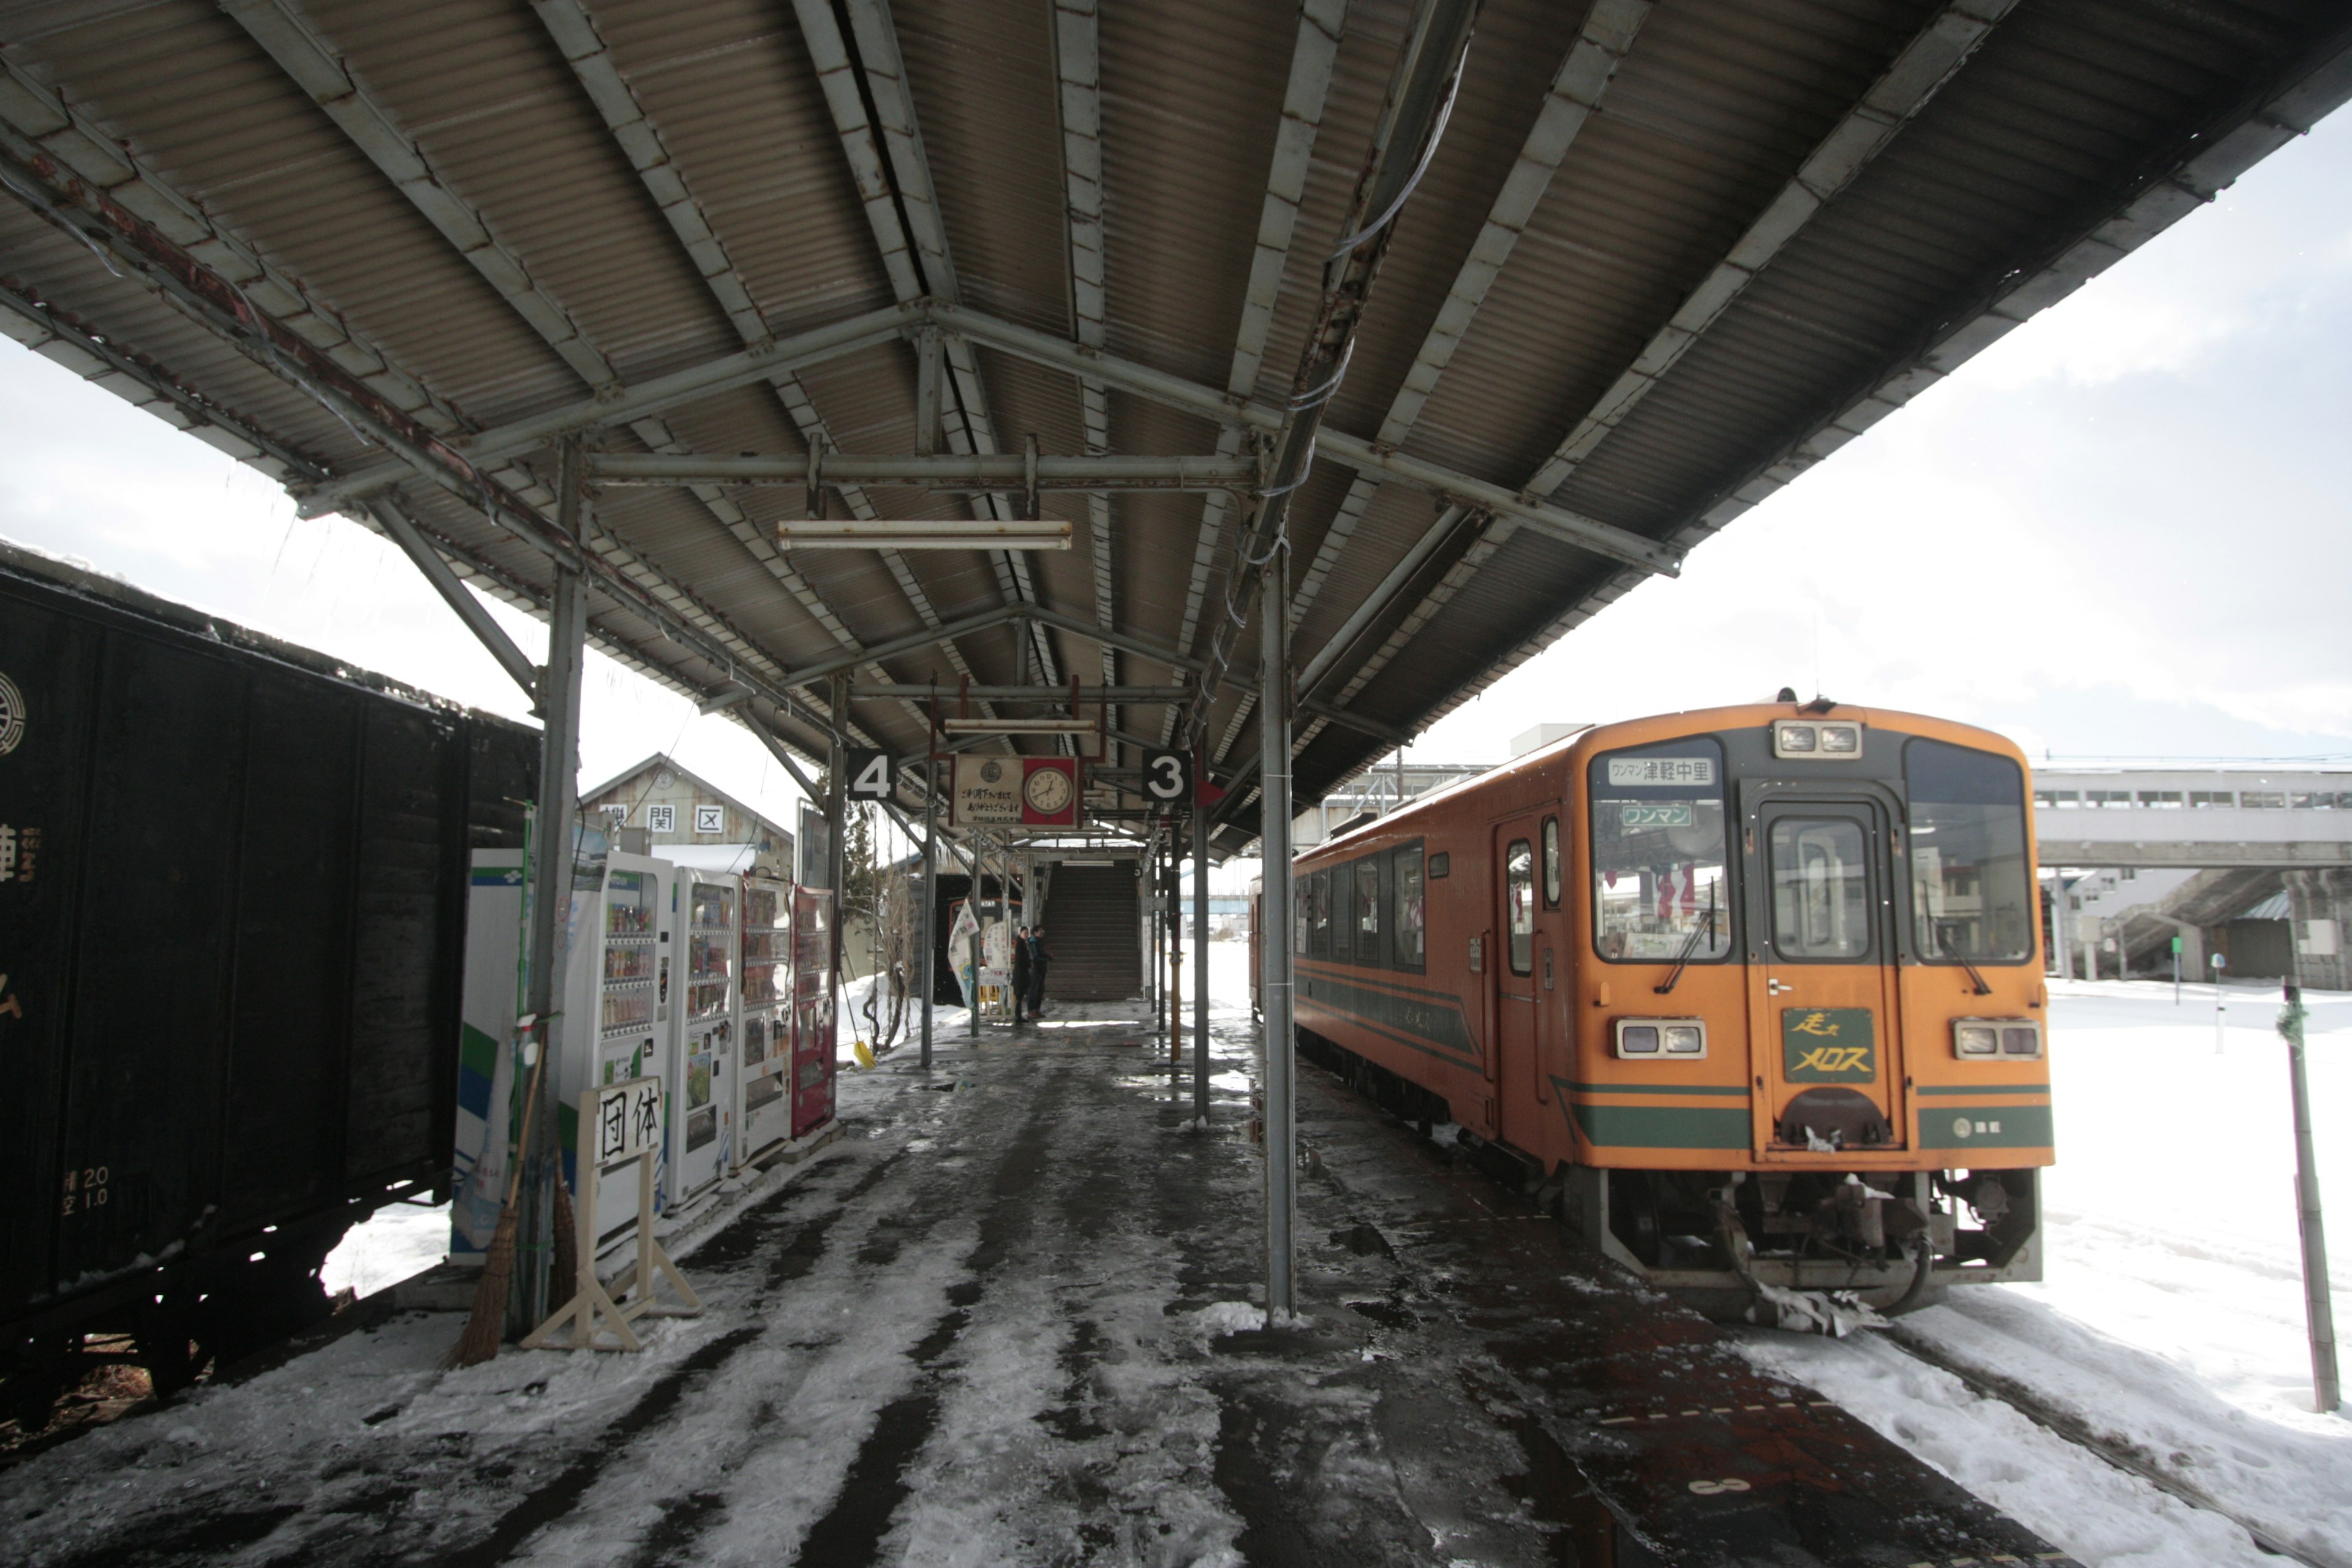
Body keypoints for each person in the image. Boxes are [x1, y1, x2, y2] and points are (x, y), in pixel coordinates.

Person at [1011, 924, 1034, 1025]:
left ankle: (1019, 1015)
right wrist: (1029, 963)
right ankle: (1018, 1016)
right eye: (1025, 933)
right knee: (1019, 996)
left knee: (1020, 996)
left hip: (1021, 973)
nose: (1026, 935)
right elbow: (1021, 959)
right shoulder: (1020, 945)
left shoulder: (1023, 943)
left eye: (1027, 934)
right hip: (1020, 974)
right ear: (1020, 934)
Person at [1027, 928, 1052, 1019]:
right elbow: (1035, 957)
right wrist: (1047, 958)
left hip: (1041, 969)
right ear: (1035, 933)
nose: (1043, 932)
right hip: (1035, 969)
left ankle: (1037, 1010)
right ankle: (1031, 1011)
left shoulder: (1040, 943)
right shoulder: (1033, 943)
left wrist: (1047, 957)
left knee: (1040, 990)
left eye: (1043, 931)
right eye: (1041, 931)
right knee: (1034, 990)